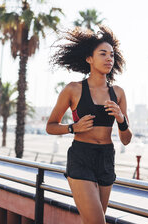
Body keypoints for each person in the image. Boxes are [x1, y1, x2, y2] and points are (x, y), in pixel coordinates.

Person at [46, 26, 132, 224]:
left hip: (106, 159)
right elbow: (50, 126)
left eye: (112, 54)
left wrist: (121, 119)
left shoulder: (118, 93)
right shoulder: (73, 89)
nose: (109, 58)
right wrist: (72, 128)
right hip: (81, 157)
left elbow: (126, 140)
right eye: (103, 54)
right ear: (89, 59)